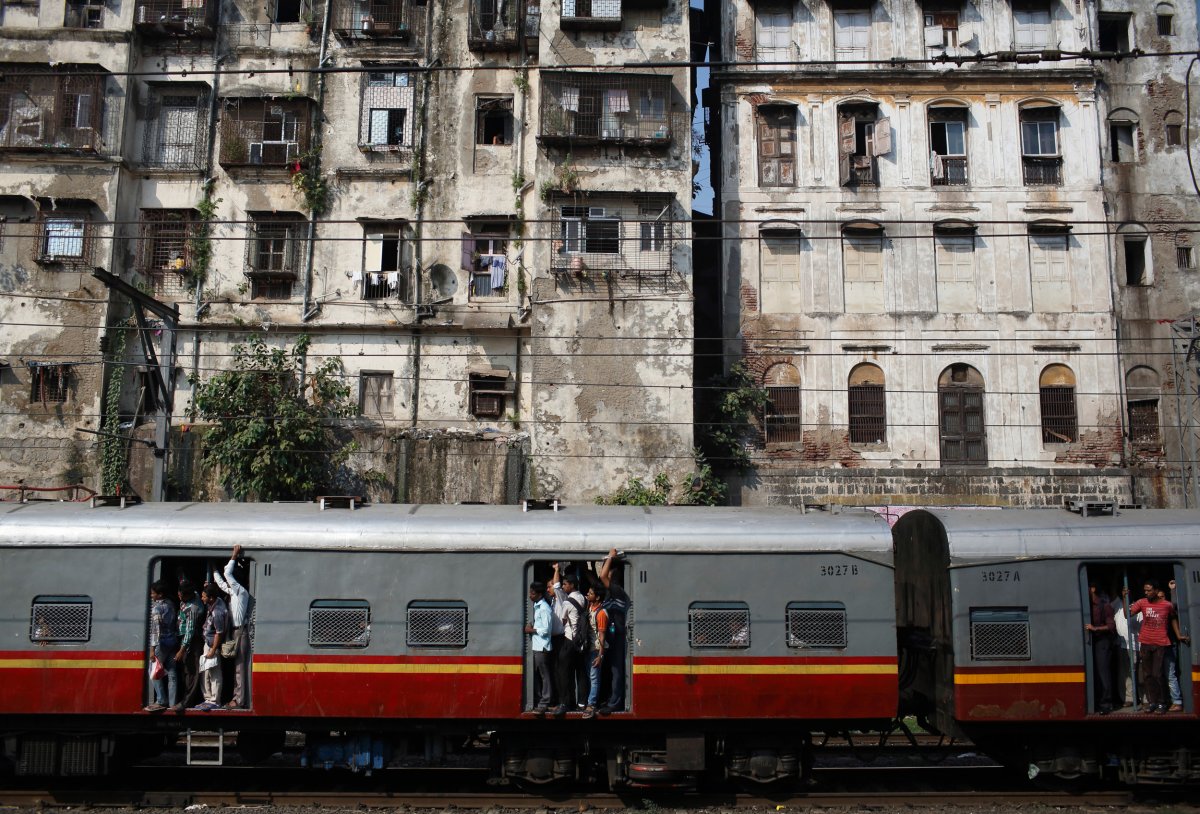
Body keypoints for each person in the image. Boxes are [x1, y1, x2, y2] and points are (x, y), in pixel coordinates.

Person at [212, 544, 253, 710]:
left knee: (239, 668)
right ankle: (237, 698)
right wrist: (213, 568)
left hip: (240, 632)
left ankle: (240, 700)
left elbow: (227, 574)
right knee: (237, 666)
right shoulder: (235, 593)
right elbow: (222, 583)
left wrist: (234, 556)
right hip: (235, 632)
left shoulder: (241, 592)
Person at [1125, 581, 1174, 713]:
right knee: (1147, 675)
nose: (1146, 593)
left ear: (1156, 590)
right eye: (1145, 590)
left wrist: (1179, 634)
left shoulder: (1167, 605)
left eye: (1149, 590)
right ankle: (1152, 702)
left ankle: (1162, 703)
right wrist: (1125, 598)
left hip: (1160, 643)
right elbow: (1127, 615)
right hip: (1145, 642)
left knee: (1158, 674)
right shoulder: (1142, 602)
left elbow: (1174, 617)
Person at [548, 564, 587, 716]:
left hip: (569, 639)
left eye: (565, 584)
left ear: (572, 585)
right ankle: (582, 702)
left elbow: (563, 621)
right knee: (581, 672)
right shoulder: (583, 598)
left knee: (563, 672)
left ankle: (565, 702)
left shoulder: (567, 602)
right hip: (580, 641)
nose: (563, 586)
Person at [597, 547, 630, 714]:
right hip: (610, 636)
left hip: (617, 635)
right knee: (611, 668)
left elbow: (602, 576)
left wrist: (610, 557)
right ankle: (610, 698)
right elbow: (598, 577)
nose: (605, 574)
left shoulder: (618, 592)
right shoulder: (610, 595)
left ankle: (615, 702)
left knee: (616, 669)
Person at [145, 580, 179, 713]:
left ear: (160, 594)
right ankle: (172, 702)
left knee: (153, 671)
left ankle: (161, 700)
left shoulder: (156, 609)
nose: (151, 595)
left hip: (162, 643)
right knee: (171, 672)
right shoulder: (171, 604)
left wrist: (152, 649)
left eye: (153, 593)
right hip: (173, 641)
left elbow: (155, 631)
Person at [194, 582, 228, 711]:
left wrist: (213, 650)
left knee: (214, 673)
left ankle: (214, 700)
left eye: (204, 596)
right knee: (205, 672)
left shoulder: (217, 612)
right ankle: (208, 698)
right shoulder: (215, 602)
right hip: (207, 643)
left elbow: (219, 633)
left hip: (212, 645)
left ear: (211, 598)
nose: (202, 599)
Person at [173, 580, 205, 713]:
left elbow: (190, 631)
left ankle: (186, 702)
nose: (179, 597)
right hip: (184, 639)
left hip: (191, 641)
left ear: (188, 595)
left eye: (181, 596)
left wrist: (182, 649)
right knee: (186, 670)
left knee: (191, 672)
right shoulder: (194, 594)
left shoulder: (193, 608)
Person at [1084, 583, 1116, 714]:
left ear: (1093, 589)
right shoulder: (1086, 605)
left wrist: (1095, 628)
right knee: (1095, 673)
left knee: (1103, 673)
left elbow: (1111, 626)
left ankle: (1106, 704)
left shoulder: (1104, 605)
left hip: (1102, 641)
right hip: (1092, 640)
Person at [524, 581, 554, 714]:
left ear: (540, 594)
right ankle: (539, 699)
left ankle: (545, 701)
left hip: (542, 646)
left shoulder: (544, 608)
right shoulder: (537, 606)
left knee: (544, 675)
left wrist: (532, 630)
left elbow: (546, 630)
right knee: (538, 674)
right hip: (537, 646)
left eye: (533, 593)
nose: (530, 595)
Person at [1162, 580, 1191, 712]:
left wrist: (1173, 590)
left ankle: (1177, 701)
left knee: (1170, 674)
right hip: (1157, 645)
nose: (1161, 600)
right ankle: (1167, 700)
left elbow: (1174, 608)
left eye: (1163, 597)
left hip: (1169, 644)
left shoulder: (1168, 608)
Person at [581, 584, 609, 719]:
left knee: (594, 678)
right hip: (589, 647)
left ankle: (591, 705)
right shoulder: (591, 608)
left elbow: (603, 636)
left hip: (596, 649)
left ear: (597, 597)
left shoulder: (601, 613)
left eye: (590, 593)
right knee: (591, 676)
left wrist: (600, 655)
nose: (588, 594)